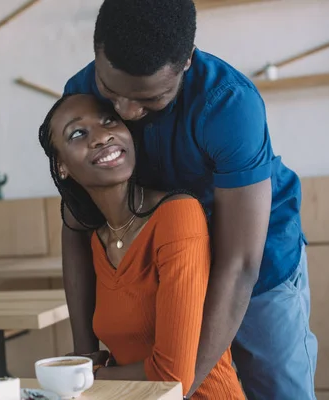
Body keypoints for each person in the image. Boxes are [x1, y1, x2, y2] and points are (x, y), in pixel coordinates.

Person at [59, 0, 317, 399]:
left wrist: (176, 388)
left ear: (186, 63)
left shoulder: (229, 103)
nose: (126, 111)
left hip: (258, 263)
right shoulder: (80, 93)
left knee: (277, 389)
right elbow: (78, 219)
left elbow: (240, 263)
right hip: (170, 272)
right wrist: (84, 355)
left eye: (149, 99)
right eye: (111, 93)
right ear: (97, 52)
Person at [38, 92, 245, 398]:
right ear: (62, 167)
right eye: (78, 133)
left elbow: (172, 377)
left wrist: (88, 374)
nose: (102, 136)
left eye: (109, 121)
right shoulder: (97, 241)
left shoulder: (178, 215)